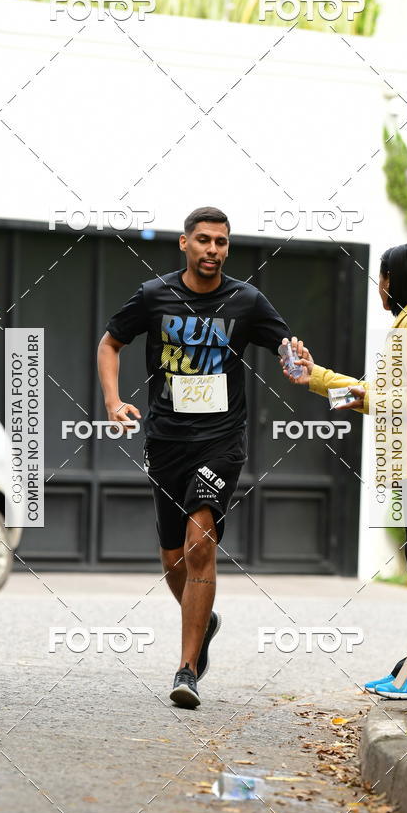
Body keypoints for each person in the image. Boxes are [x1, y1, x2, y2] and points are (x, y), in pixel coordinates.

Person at [98, 206, 291, 708]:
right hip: (166, 440)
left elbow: (287, 348)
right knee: (172, 556)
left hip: (221, 441)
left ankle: (186, 671)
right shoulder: (154, 295)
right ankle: (204, 620)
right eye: (204, 240)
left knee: (200, 540)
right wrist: (114, 401)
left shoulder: (246, 300)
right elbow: (110, 342)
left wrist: (302, 365)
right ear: (184, 244)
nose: (213, 250)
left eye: (222, 242)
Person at [282, 243, 407, 699]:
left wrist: (368, 399)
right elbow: (383, 394)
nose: (379, 287)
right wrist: (318, 376)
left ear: (395, 280)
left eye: (382, 277)